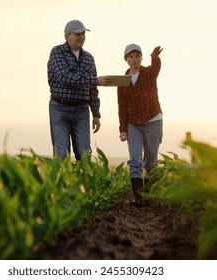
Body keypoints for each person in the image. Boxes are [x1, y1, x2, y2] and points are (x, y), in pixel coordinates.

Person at [47, 20, 112, 160]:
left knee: (84, 155)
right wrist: (96, 80)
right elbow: (65, 77)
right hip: (59, 109)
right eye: (78, 34)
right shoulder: (57, 52)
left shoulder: (89, 58)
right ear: (67, 36)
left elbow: (93, 90)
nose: (81, 37)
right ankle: (62, 183)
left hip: (81, 110)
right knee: (61, 155)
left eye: (83, 34)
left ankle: (83, 182)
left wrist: (96, 113)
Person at [117, 43, 164, 207]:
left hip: (153, 120)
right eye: (131, 57)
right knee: (135, 160)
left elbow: (156, 68)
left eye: (137, 56)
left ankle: (149, 197)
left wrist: (155, 57)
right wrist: (123, 128)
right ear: (126, 59)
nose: (134, 59)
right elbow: (122, 106)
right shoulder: (122, 80)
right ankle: (139, 199)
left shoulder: (149, 73)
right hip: (133, 123)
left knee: (150, 162)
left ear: (141, 57)